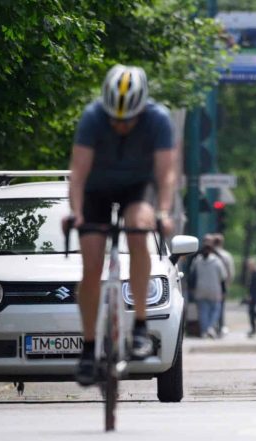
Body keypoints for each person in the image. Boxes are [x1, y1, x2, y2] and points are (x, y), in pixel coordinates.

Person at [67, 64, 176, 386]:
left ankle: (140, 326)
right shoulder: (92, 118)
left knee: (139, 230)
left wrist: (164, 212)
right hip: (96, 189)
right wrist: (77, 213)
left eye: (127, 119)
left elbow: (166, 174)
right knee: (90, 262)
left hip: (137, 187)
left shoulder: (158, 119)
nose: (121, 124)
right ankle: (88, 349)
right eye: (115, 118)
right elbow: (78, 173)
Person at [192, 236, 227, 339]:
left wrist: (192, 288)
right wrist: (224, 291)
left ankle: (204, 331)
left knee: (203, 311)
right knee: (216, 309)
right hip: (215, 290)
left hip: (200, 289)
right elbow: (223, 277)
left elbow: (192, 275)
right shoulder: (217, 261)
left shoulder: (197, 261)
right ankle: (211, 327)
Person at [211, 233, 235, 337]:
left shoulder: (209, 254)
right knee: (220, 307)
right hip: (221, 285)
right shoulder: (226, 255)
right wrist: (228, 284)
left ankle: (211, 327)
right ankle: (219, 327)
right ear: (222, 243)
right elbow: (230, 272)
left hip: (208, 285)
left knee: (209, 307)